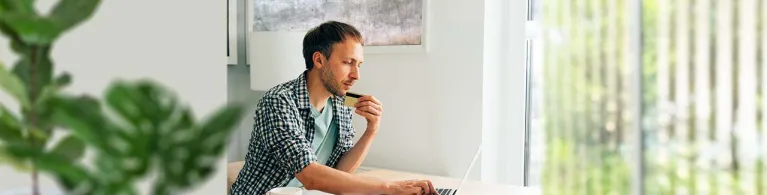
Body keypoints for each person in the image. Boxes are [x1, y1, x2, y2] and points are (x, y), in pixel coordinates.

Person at [229, 21, 439, 195]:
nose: (356, 75)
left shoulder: (341, 102)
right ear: (319, 59)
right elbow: (309, 175)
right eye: (348, 62)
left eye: (359, 65)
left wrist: (371, 130)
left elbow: (341, 172)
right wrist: (388, 188)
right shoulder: (278, 101)